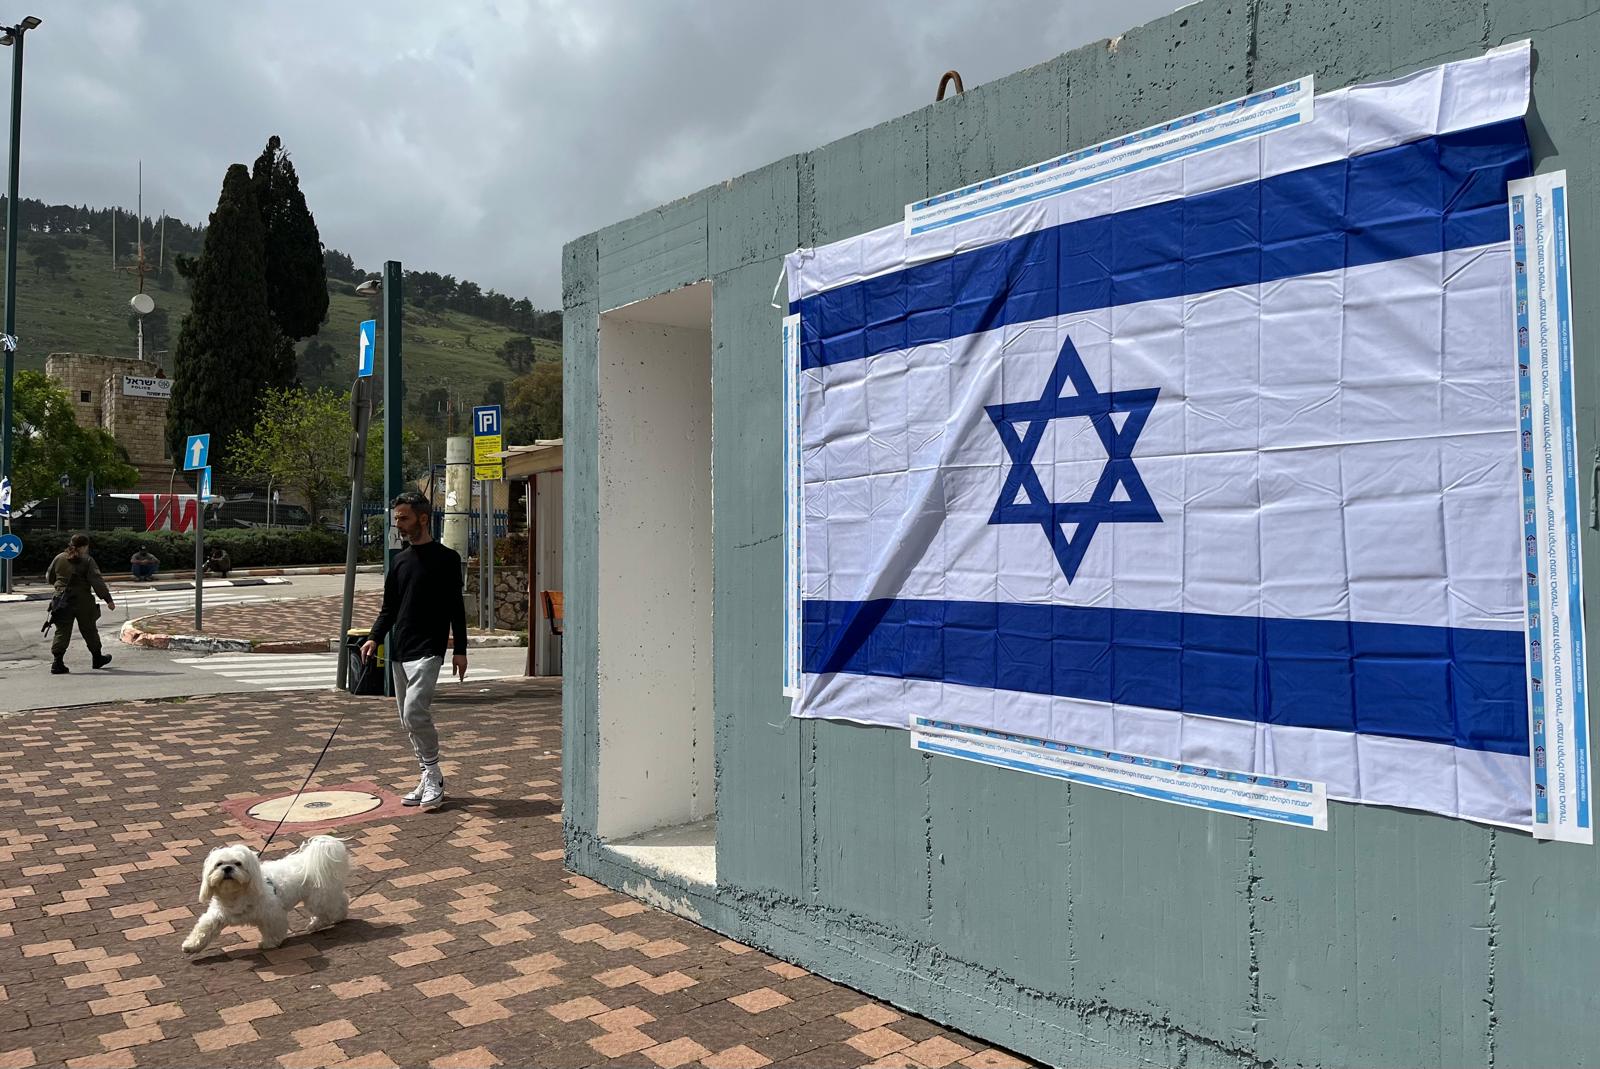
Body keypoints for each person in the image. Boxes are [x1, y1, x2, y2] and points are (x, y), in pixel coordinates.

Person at [361, 491, 467, 811]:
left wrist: (460, 650)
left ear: (423, 517)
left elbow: (456, 608)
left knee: (413, 712)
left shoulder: (448, 559)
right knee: (407, 721)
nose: (399, 524)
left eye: (404, 517)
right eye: (397, 518)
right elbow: (389, 608)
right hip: (400, 649)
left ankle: (433, 775)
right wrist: (374, 638)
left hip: (429, 648)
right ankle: (426, 775)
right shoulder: (399, 561)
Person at [45, 534, 116, 674]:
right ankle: (97, 658)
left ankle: (57, 662)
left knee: (62, 630)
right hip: (82, 599)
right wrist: (108, 599)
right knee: (89, 628)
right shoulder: (87, 560)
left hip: (61, 599)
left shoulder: (59, 558)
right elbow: (97, 582)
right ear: (84, 546)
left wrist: (61, 587)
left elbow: (49, 577)